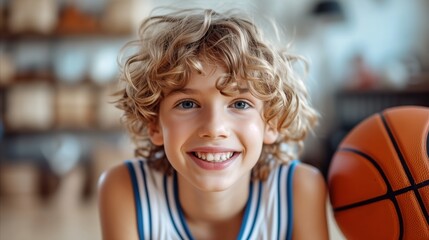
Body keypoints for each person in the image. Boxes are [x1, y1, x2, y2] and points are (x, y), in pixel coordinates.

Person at [98, 7, 328, 240]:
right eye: (187, 104)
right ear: (154, 124)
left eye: (240, 104)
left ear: (272, 123)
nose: (214, 128)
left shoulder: (300, 190)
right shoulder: (125, 189)